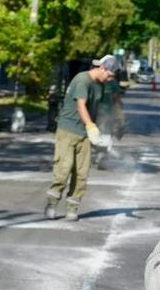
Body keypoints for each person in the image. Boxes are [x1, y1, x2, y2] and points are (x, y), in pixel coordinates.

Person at [44, 54, 118, 221]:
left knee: (82, 173)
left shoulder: (100, 85)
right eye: (110, 75)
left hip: (85, 134)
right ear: (102, 68)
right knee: (64, 169)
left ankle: (72, 207)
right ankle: (52, 202)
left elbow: (97, 109)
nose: (110, 79)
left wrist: (104, 129)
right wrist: (90, 126)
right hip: (68, 130)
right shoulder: (82, 80)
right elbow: (81, 105)